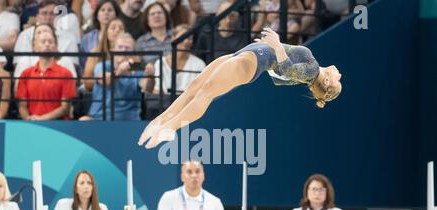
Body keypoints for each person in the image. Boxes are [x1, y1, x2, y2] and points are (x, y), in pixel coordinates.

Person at [138, 27, 342, 149]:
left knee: (206, 91)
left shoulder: (313, 70)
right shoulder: (308, 73)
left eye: (338, 79)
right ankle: (161, 120)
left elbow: (287, 70)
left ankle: (171, 128)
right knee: (196, 85)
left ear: (326, 82)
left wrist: (278, 47)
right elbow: (278, 78)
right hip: (251, 54)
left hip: (252, 62)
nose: (339, 74)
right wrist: (272, 49)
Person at [16, 24, 77, 120]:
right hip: (33, 125)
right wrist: (29, 119)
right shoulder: (25, 74)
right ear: (35, 47)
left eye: (50, 42)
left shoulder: (66, 73)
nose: (47, 44)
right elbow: (22, 106)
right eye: (43, 42)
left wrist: (42, 119)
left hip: (59, 127)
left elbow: (65, 108)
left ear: (56, 47)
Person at [87, 32, 153, 120]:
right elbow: (105, 80)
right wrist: (119, 72)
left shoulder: (137, 71)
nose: (123, 50)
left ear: (133, 54)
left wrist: (151, 76)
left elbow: (148, 88)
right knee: (83, 120)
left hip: (129, 121)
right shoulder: (102, 66)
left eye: (127, 48)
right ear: (112, 50)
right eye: (120, 47)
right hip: (100, 118)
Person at [13, 0, 80, 68]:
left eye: (52, 13)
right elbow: (18, 64)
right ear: (37, 16)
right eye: (44, 13)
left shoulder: (69, 38)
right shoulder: (25, 35)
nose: (48, 17)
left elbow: (73, 65)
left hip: (60, 76)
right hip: (32, 76)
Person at [145, 24, 205, 95]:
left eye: (189, 38)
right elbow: (153, 91)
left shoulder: (199, 64)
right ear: (173, 38)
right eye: (182, 37)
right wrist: (150, 76)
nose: (186, 41)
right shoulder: (160, 63)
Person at [157, 160, 224, 210]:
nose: (194, 175)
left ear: (203, 176)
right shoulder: (168, 198)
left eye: (197, 171)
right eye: (189, 172)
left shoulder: (215, 202)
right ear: (182, 177)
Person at [83, 17, 126, 92]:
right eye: (113, 28)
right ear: (106, 32)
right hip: (101, 95)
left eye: (121, 28)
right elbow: (87, 82)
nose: (117, 30)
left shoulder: (131, 52)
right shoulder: (95, 52)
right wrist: (101, 80)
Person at [80, 0, 120, 69]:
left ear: (116, 15)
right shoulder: (87, 38)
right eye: (102, 10)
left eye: (110, 10)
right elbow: (82, 62)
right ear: (97, 15)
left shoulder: (121, 37)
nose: (106, 13)